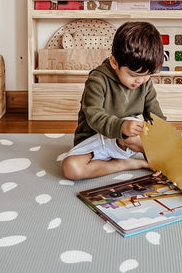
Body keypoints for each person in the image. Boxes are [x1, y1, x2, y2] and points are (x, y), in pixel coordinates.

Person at [62, 21, 165, 180]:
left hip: (126, 140)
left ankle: (153, 157)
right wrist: (121, 127)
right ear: (114, 62)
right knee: (71, 169)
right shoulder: (97, 80)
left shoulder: (144, 82)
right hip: (95, 138)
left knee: (138, 135)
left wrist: (163, 135)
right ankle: (128, 164)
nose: (141, 81)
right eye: (133, 75)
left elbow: (155, 115)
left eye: (148, 74)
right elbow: (94, 117)